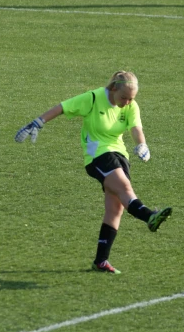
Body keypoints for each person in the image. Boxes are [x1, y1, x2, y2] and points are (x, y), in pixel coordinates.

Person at [15, 71, 171, 274]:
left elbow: (135, 128)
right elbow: (63, 107)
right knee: (125, 187)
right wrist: (39, 121)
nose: (127, 102)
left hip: (120, 155)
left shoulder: (131, 105)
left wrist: (143, 145)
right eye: (124, 97)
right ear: (114, 88)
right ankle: (149, 216)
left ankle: (101, 261)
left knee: (115, 210)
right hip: (97, 155)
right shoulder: (93, 98)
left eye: (131, 98)